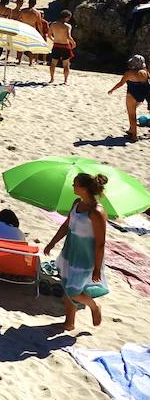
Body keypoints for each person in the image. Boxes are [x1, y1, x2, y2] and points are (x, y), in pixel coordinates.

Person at [44, 172, 109, 331]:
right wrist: (52, 243)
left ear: (84, 188)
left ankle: (94, 307)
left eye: (75, 184)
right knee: (67, 286)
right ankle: (69, 322)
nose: (73, 186)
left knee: (74, 291)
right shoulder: (76, 203)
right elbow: (66, 225)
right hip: (71, 250)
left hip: (86, 256)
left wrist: (96, 268)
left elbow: (101, 243)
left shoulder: (97, 212)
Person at [108, 54, 149, 142]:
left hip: (132, 95)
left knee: (132, 115)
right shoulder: (146, 72)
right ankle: (131, 130)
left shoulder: (129, 73)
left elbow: (121, 83)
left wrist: (112, 89)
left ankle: (134, 136)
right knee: (134, 111)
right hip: (142, 95)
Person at [48, 10, 76, 84]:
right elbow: (68, 36)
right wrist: (73, 43)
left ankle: (52, 79)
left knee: (53, 63)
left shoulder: (53, 24)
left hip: (56, 45)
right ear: (67, 17)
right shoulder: (67, 26)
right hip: (65, 46)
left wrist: (54, 40)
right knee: (66, 64)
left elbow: (49, 35)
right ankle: (65, 80)